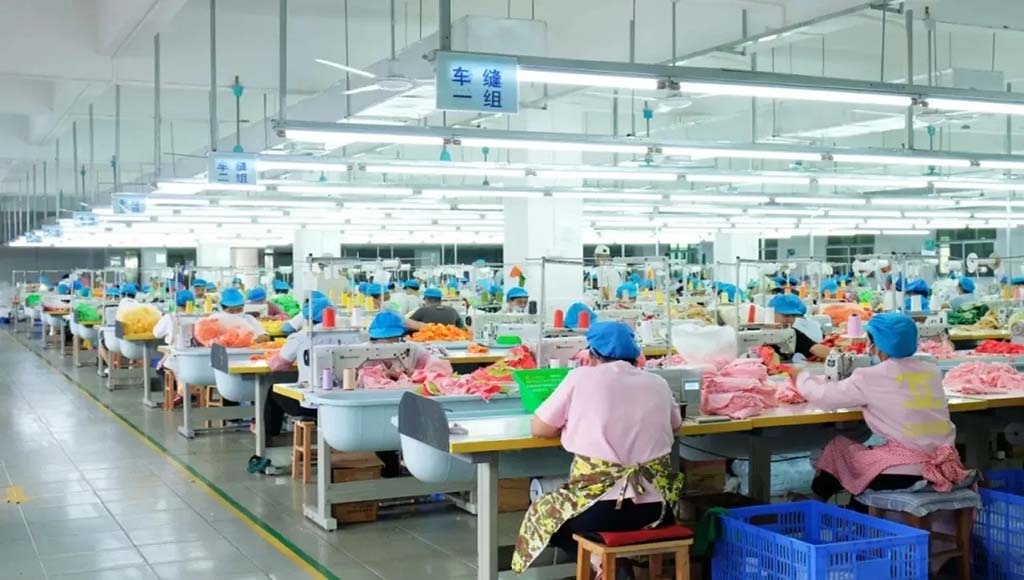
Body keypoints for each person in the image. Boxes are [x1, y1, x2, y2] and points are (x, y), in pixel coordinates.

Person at [512, 321, 682, 576]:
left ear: (591, 354)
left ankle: (600, 561)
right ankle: (614, 563)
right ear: (635, 354)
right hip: (657, 510)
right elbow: (675, 425)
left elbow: (541, 428)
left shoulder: (580, 378)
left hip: (598, 513)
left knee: (544, 515)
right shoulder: (657, 382)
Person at [796, 313, 969, 507]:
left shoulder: (870, 377)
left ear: (875, 344)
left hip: (903, 472)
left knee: (838, 448)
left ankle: (815, 506)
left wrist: (801, 378)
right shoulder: (930, 371)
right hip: (946, 465)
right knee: (866, 455)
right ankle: (855, 511)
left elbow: (824, 398)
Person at [769, 294, 830, 361]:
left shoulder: (792, 334)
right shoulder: (757, 330)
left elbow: (816, 348)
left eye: (793, 316)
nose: (790, 320)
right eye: (786, 315)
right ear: (770, 313)